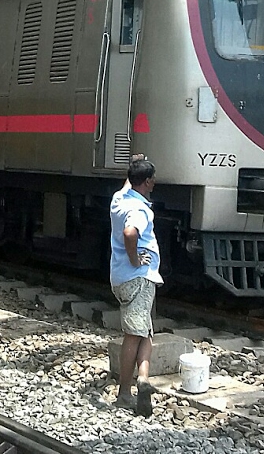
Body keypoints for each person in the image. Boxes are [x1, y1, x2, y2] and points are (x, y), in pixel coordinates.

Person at [109, 158, 162, 416]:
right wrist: (135, 259)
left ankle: (143, 378)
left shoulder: (119, 200)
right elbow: (131, 233)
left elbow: (129, 182)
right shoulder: (140, 210)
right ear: (149, 181)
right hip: (138, 277)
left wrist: (135, 165)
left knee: (145, 331)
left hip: (120, 277)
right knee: (134, 334)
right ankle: (124, 392)